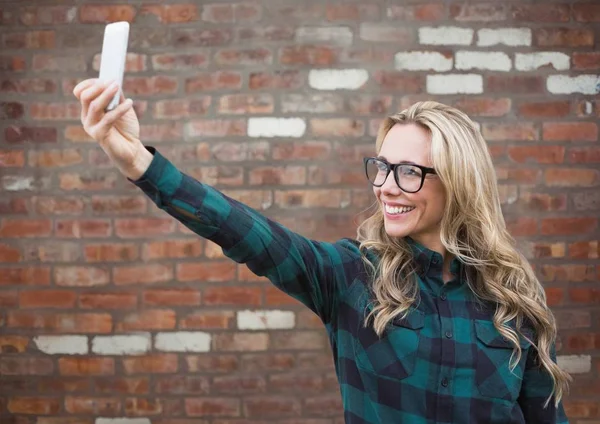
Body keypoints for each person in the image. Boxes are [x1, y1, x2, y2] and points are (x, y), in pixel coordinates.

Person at [73, 79, 571, 424]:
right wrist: (139, 162)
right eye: (381, 166)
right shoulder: (351, 275)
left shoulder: (512, 298)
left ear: (459, 183)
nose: (386, 187)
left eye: (409, 172)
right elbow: (246, 232)